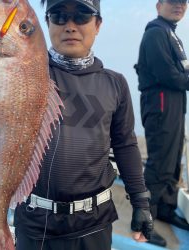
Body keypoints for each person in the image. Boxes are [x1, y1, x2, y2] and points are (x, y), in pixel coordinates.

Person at [0, 0, 154, 249]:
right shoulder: (27, 69)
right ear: (47, 23)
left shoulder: (115, 84)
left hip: (95, 223)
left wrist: (141, 200)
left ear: (98, 25)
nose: (70, 26)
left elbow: (126, 145)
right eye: (59, 16)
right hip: (35, 222)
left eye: (82, 16)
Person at [135, 0, 189, 246]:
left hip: (174, 105)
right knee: (159, 163)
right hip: (161, 105)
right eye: (173, 1)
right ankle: (142, 222)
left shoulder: (170, 33)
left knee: (173, 157)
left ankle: (166, 208)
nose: (179, 6)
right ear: (158, 5)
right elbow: (169, 75)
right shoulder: (156, 32)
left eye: (183, 2)